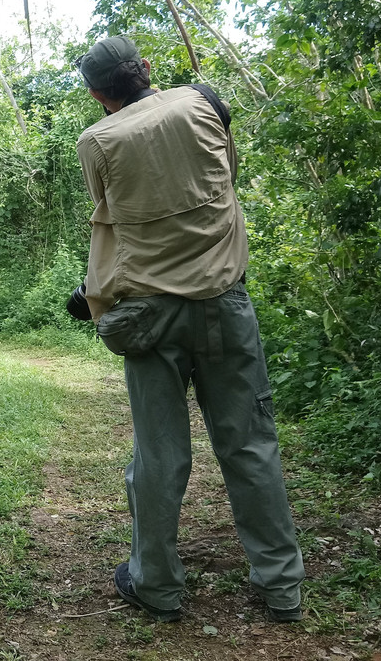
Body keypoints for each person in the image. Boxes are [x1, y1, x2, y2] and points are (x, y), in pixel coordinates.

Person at [73, 36, 305, 623]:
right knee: (250, 445)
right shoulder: (205, 102)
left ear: (97, 94)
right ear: (146, 68)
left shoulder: (97, 141)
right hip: (226, 302)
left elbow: (112, 214)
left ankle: (156, 585)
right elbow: (227, 175)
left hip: (149, 316)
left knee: (159, 453)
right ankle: (282, 587)